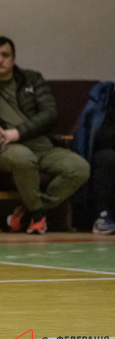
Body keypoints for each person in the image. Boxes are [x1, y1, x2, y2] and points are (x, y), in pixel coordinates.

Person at [0, 36, 89, 234]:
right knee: (23, 159)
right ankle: (36, 215)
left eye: (5, 55)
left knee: (79, 168)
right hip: (6, 148)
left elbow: (49, 114)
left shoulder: (33, 79)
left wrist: (18, 132)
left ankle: (33, 211)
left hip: (42, 144)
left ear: (13, 58)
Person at [74, 81, 115, 234]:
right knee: (107, 158)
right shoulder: (100, 100)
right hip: (103, 156)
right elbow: (99, 136)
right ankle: (103, 216)